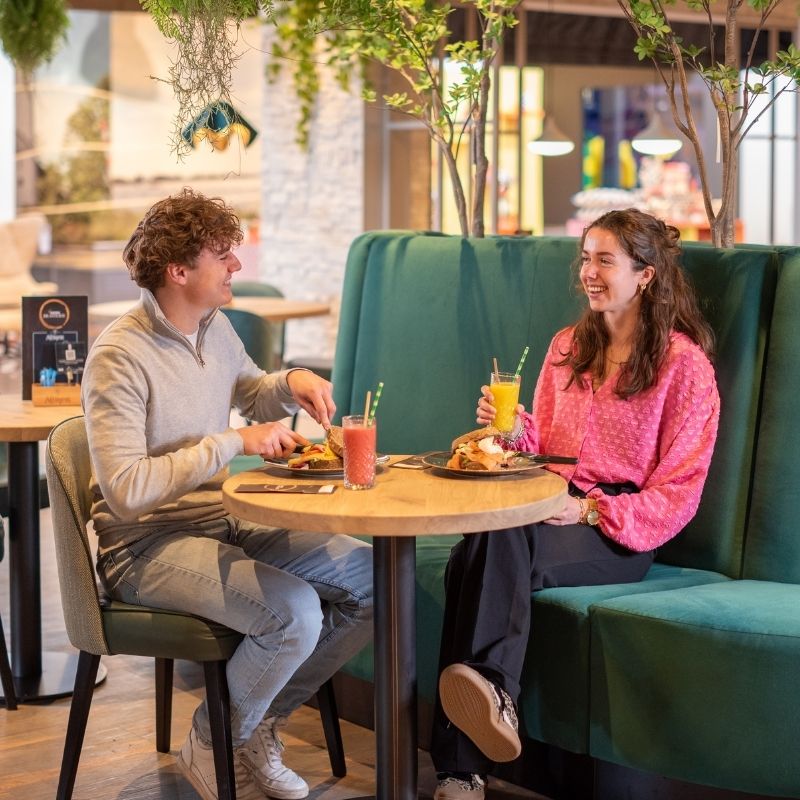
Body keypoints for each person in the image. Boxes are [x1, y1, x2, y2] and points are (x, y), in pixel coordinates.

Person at [81, 188, 373, 800]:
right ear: (179, 271)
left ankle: (251, 726)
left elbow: (253, 390)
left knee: (374, 581)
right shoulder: (118, 355)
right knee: (293, 612)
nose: (237, 265)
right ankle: (214, 742)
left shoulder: (213, 329)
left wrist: (290, 382)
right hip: (144, 544)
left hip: (226, 519)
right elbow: (128, 492)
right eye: (224, 255)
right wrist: (231, 441)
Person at [430, 208, 720, 800]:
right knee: (483, 542)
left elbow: (679, 493)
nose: (589, 271)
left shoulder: (684, 366)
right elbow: (548, 448)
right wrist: (511, 432)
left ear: (645, 274)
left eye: (604, 259)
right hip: (547, 498)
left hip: (619, 528)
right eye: (585, 257)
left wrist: (589, 511)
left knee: (478, 551)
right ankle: (490, 706)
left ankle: (462, 762)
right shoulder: (567, 347)